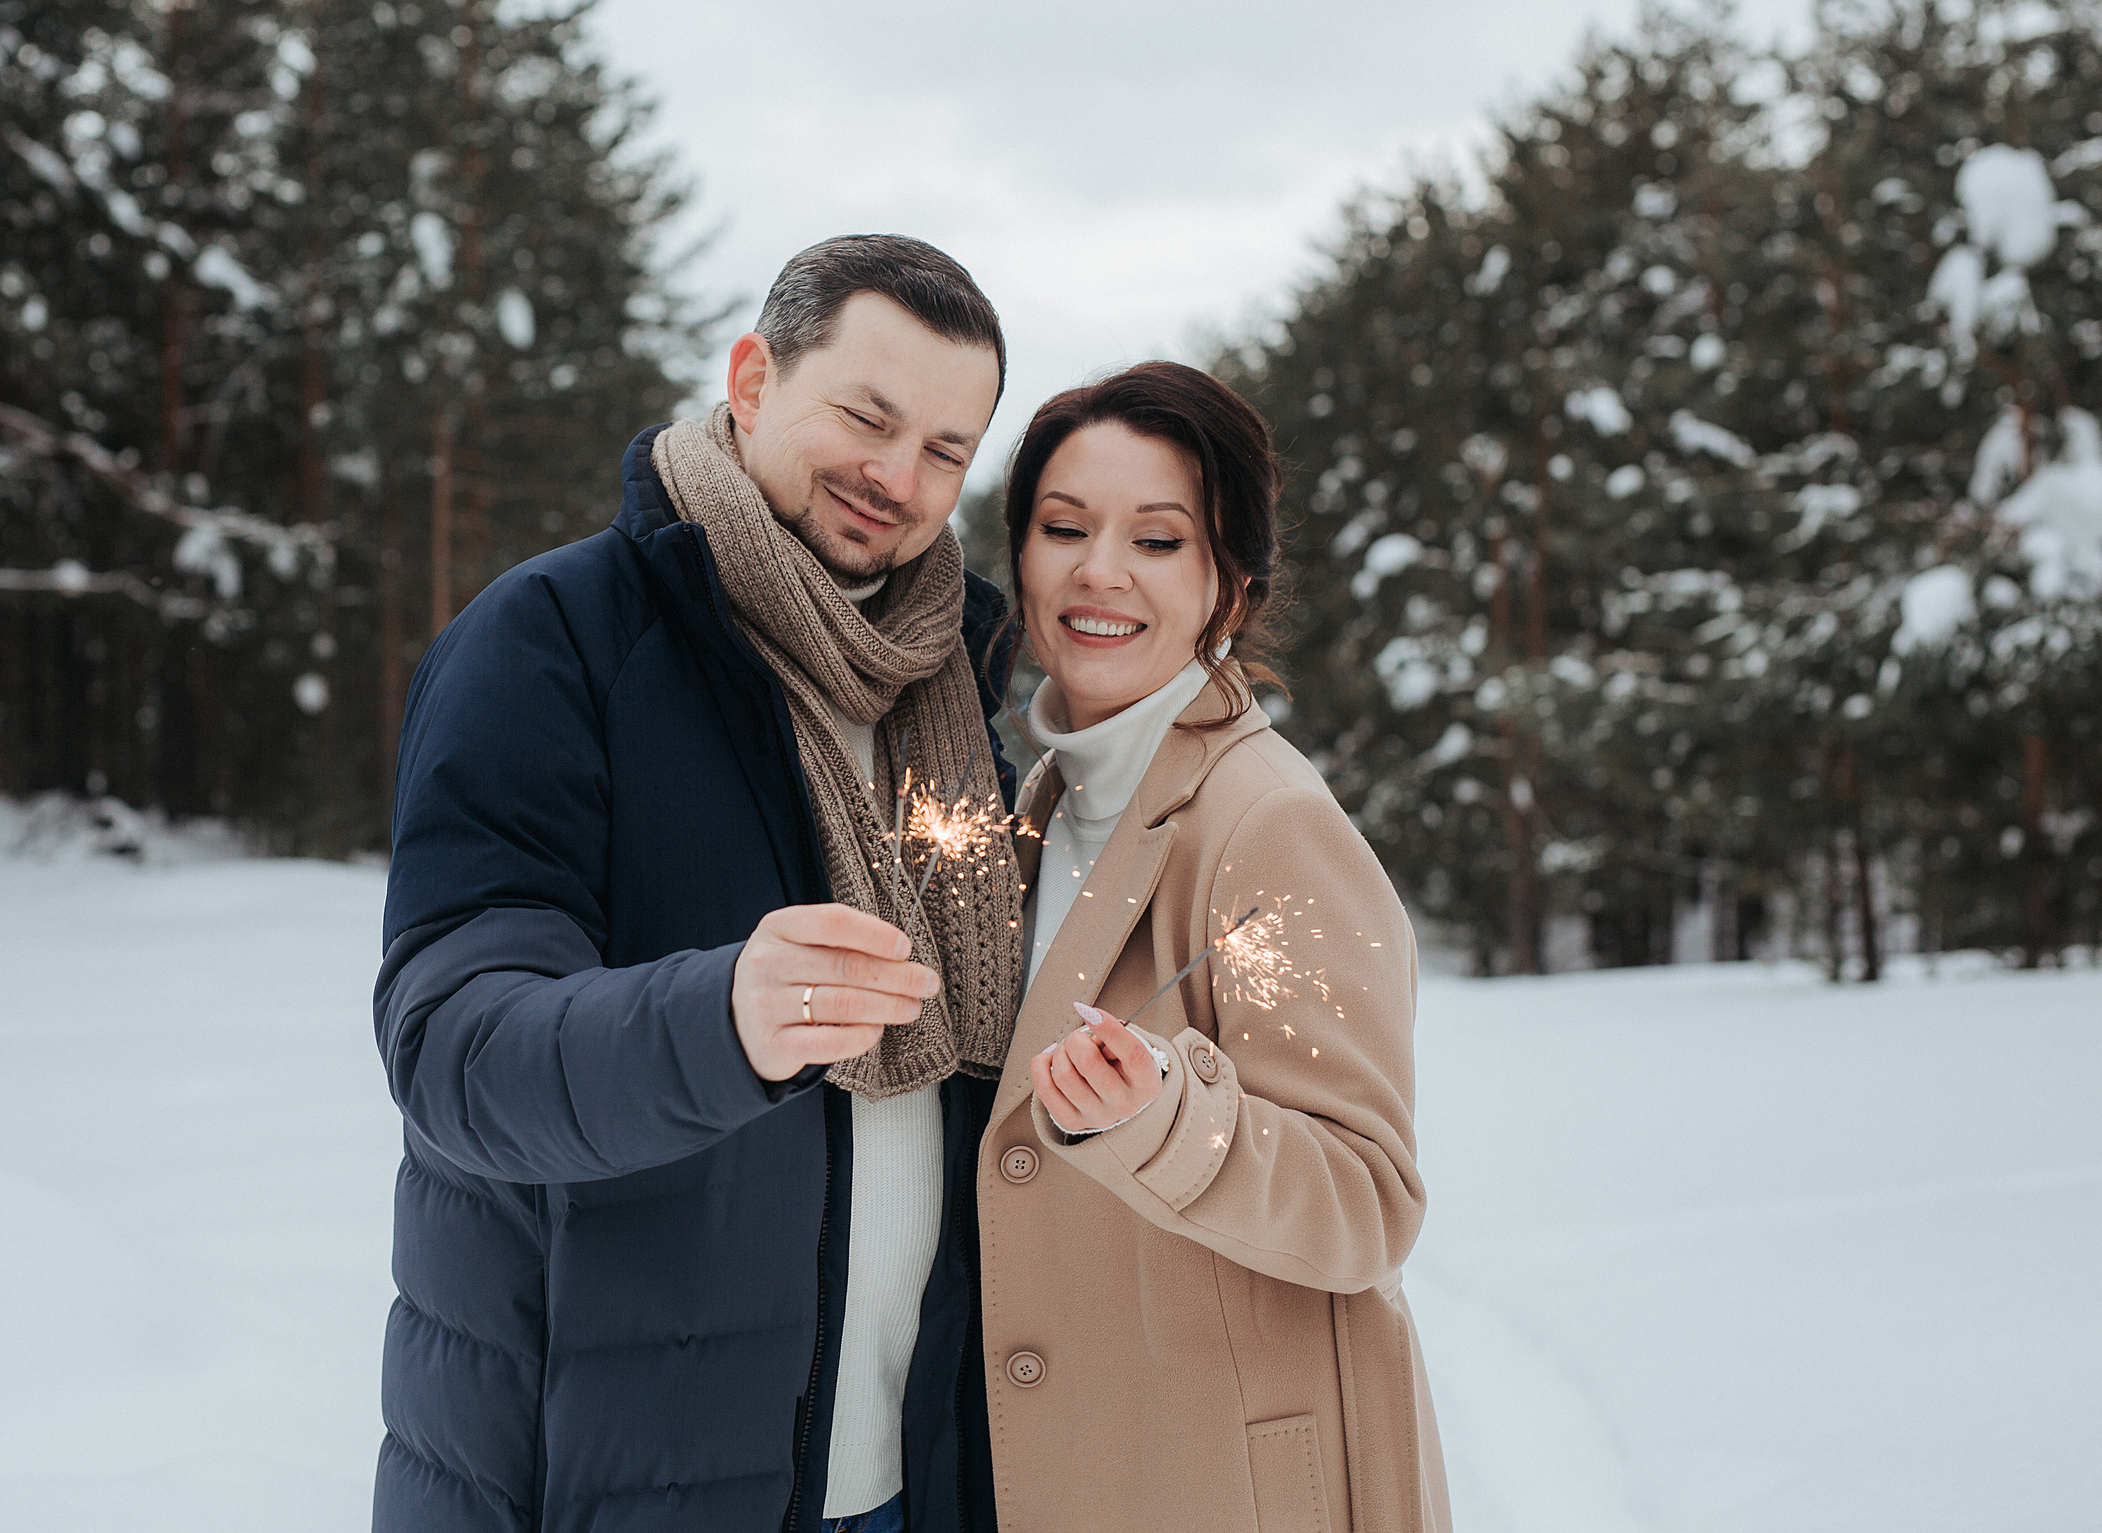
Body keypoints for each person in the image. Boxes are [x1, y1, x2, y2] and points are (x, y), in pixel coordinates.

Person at [373, 235, 1023, 1533]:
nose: (899, 480)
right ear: (752, 378)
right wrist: (719, 1019)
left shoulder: (948, 695)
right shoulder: (552, 640)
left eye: (945, 451)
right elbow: (452, 1047)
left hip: (906, 1477)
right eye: (867, 417)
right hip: (616, 1479)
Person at [973, 363, 1451, 1533]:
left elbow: (1367, 1203)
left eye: (1156, 540)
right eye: (1064, 528)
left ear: (1228, 587)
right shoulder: (1042, 806)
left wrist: (1164, 1119)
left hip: (1231, 1491)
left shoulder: (1268, 827)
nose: (1100, 571)